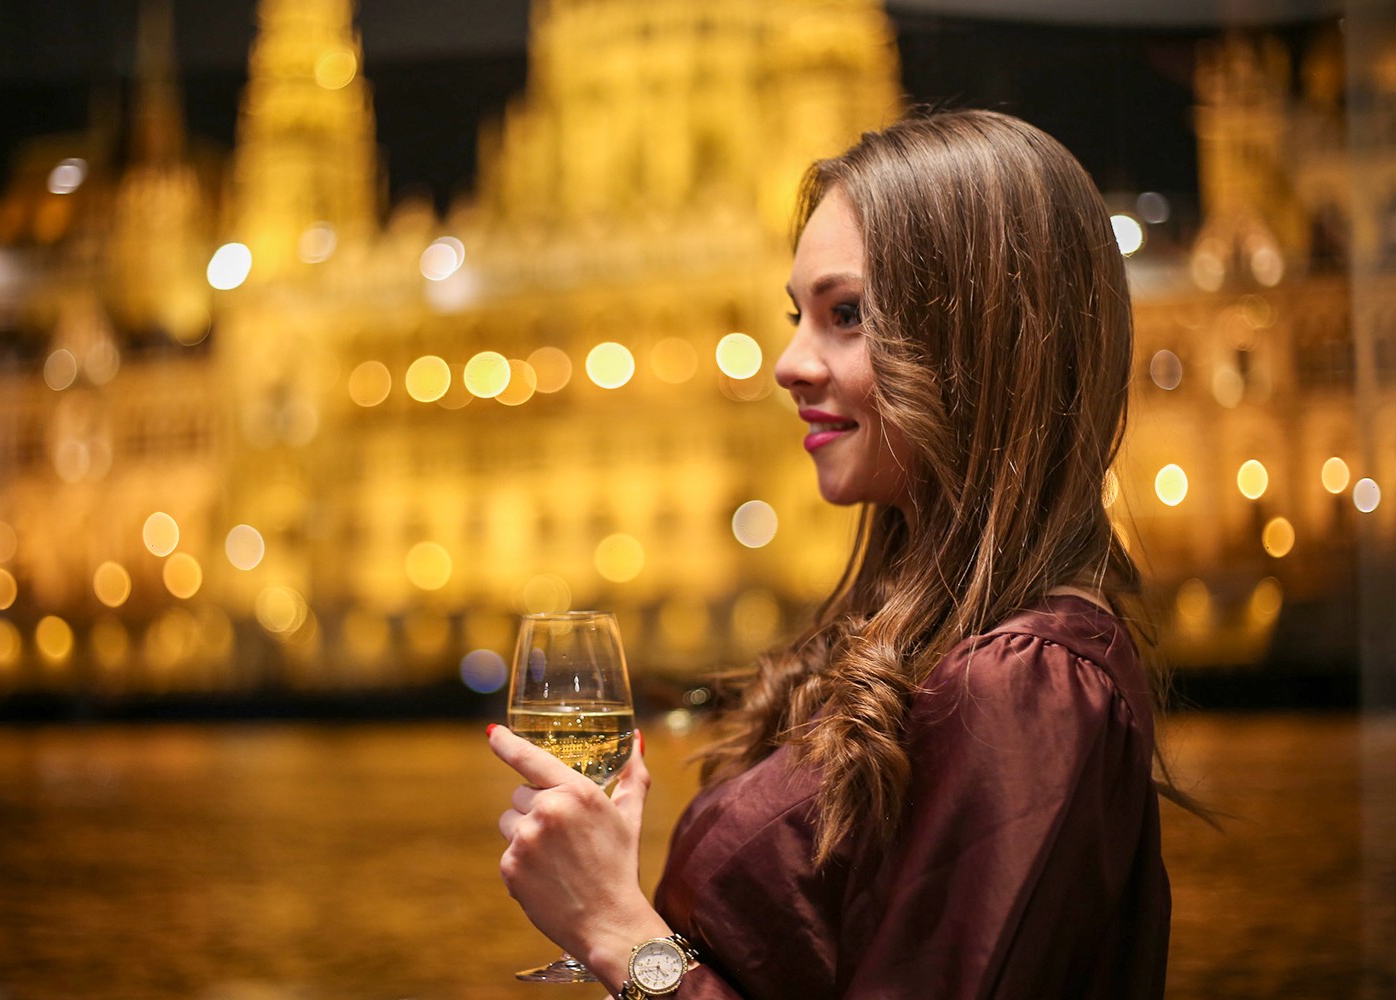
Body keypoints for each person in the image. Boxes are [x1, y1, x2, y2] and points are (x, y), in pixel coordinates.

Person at [488, 109, 1181, 999]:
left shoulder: (1021, 684)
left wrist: (620, 935)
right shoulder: (948, 650)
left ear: (979, 342)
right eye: (798, 316)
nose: (787, 364)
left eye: (845, 314)